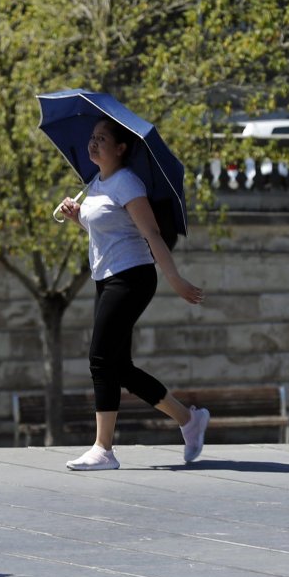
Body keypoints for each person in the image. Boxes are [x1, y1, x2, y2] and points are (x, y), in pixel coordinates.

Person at [57, 116, 208, 471]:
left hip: (133, 276)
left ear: (121, 148)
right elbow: (108, 231)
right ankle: (189, 419)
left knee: (100, 359)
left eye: (102, 139)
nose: (93, 143)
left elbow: (152, 234)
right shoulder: (96, 182)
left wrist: (175, 279)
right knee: (118, 366)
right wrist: (78, 216)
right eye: (92, 138)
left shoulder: (127, 183)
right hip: (107, 276)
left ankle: (103, 449)